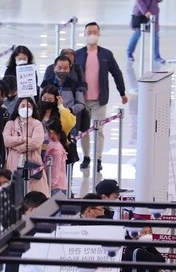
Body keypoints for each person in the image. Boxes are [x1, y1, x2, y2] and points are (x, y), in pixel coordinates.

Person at [75, 22, 128, 172]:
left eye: (94, 32)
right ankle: (86, 157)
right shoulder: (78, 54)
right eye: (89, 32)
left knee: (99, 130)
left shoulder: (106, 54)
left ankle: (98, 158)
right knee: (83, 131)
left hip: (99, 100)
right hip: (82, 101)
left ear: (99, 34)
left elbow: (116, 73)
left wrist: (122, 92)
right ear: (85, 35)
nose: (92, 35)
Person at [3, 97, 47, 195]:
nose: (25, 108)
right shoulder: (10, 124)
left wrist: (19, 148)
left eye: (29, 106)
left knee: (33, 195)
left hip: (32, 164)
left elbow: (36, 142)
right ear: (17, 108)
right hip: (14, 165)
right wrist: (24, 139)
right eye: (22, 106)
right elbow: (6, 140)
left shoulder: (37, 124)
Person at [127, 0, 163, 64]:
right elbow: (139, 1)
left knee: (155, 35)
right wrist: (145, 11)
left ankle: (157, 57)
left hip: (153, 13)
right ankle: (129, 53)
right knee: (137, 33)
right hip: (140, 12)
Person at [45, 123, 69, 196]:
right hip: (55, 184)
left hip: (57, 186)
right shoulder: (54, 145)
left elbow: (56, 168)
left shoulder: (56, 150)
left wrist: (52, 183)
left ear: (51, 132)